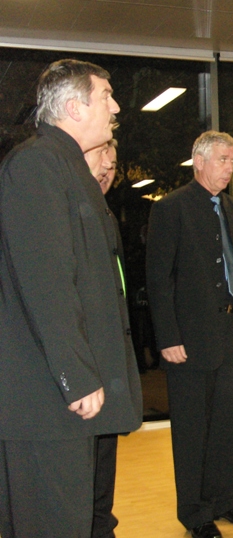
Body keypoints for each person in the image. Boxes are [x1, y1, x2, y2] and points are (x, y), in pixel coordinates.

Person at [0, 59, 142, 538]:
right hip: (44, 401)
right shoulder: (36, 165)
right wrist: (75, 375)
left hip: (59, 402)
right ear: (75, 107)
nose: (115, 107)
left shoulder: (65, 166)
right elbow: (46, 282)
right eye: (106, 96)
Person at [146, 131, 233, 538]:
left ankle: (223, 500)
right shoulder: (170, 208)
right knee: (193, 430)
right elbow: (158, 279)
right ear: (199, 161)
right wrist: (167, 337)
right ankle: (195, 514)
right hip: (190, 340)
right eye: (222, 159)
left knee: (231, 426)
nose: (230, 168)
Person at [84, 138, 127, 538]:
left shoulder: (107, 216)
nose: (106, 172)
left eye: (112, 166)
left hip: (109, 359)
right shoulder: (71, 214)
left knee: (105, 451)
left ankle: (102, 524)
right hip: (84, 362)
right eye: (100, 161)